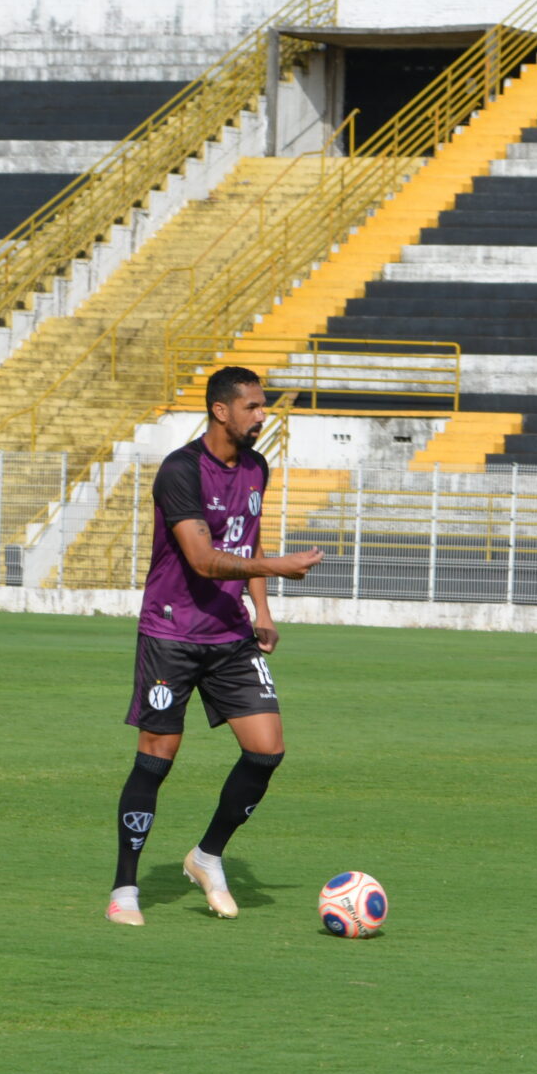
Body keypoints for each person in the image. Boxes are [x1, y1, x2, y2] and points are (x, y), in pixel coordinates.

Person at [109, 366, 323, 926]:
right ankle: (125, 890)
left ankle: (206, 856)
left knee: (267, 750)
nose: (262, 415)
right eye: (252, 407)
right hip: (172, 633)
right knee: (156, 761)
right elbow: (205, 561)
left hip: (230, 634)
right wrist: (277, 568)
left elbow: (243, 543)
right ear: (221, 411)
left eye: (262, 406)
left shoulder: (257, 467)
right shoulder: (180, 471)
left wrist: (263, 608)